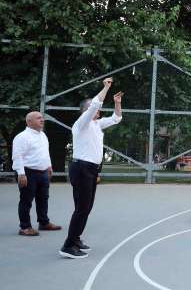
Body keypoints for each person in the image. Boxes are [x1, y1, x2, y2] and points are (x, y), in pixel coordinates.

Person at [60, 78, 123, 259]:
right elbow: (96, 104)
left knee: (85, 208)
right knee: (82, 208)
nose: (98, 111)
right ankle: (68, 245)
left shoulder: (96, 124)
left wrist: (117, 103)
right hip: (81, 169)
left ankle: (76, 239)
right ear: (85, 111)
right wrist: (106, 87)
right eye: (94, 109)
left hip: (90, 170)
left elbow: (116, 118)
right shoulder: (81, 124)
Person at [12, 111, 61, 236]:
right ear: (29, 122)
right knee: (26, 200)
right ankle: (25, 227)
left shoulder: (43, 135)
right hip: (28, 172)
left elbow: (45, 152)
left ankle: (44, 223)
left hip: (43, 172)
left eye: (42, 118)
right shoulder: (22, 137)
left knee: (43, 199)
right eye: (39, 118)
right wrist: (21, 174)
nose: (42, 120)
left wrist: (49, 166)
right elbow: (17, 156)